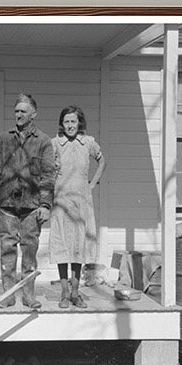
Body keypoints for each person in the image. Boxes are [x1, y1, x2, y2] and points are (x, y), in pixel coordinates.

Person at [0, 93, 56, 308]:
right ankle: (7, 296)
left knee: (29, 253)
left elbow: (48, 175)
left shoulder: (43, 141)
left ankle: (28, 295)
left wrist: (45, 205)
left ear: (34, 114)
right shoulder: (4, 139)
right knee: (7, 251)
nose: (19, 115)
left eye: (23, 111)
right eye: (16, 111)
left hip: (32, 207)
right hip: (6, 205)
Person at [49, 105, 105, 308]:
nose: (70, 125)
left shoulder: (88, 142)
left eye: (73, 121)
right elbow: (46, 168)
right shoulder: (55, 143)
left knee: (79, 247)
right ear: (61, 124)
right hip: (62, 202)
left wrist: (92, 184)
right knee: (62, 246)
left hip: (82, 202)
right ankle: (64, 293)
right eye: (66, 122)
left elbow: (102, 161)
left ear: (79, 123)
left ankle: (75, 292)